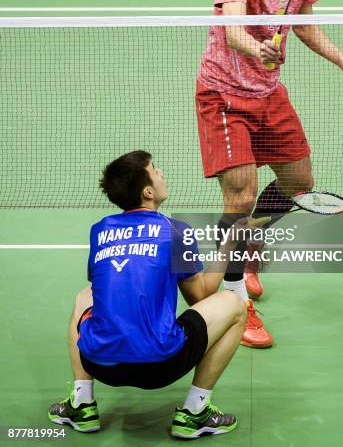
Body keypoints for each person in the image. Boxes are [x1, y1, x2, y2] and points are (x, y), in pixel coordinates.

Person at [195, 0, 343, 347]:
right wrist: (259, 48)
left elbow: (305, 26)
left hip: (269, 93)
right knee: (239, 198)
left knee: (298, 182)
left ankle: (246, 240)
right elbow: (233, 28)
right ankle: (237, 303)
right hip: (225, 94)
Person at [48, 150, 250, 439]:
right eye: (156, 170)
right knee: (235, 304)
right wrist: (228, 247)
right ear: (148, 192)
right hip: (160, 367)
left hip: (100, 364)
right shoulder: (176, 231)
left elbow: (105, 287)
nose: (162, 174)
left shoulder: (100, 230)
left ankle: (82, 403)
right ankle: (195, 411)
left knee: (86, 295)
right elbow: (201, 296)